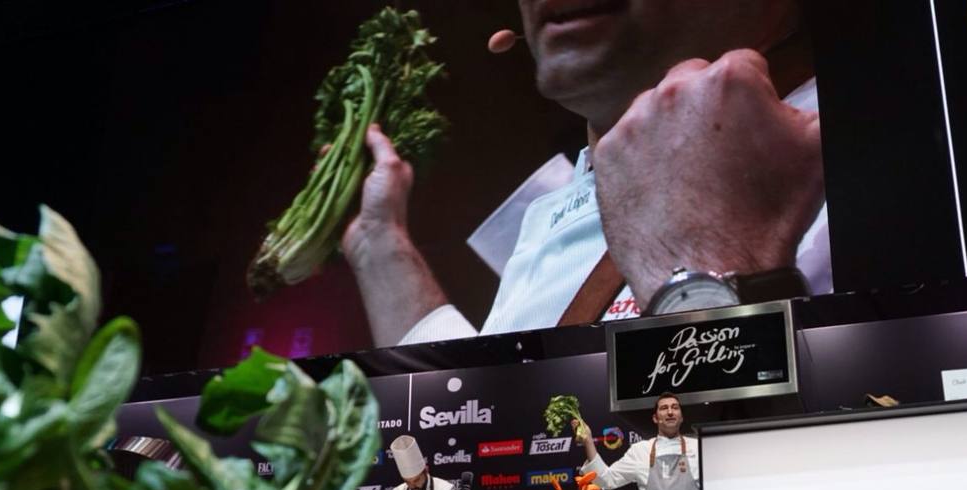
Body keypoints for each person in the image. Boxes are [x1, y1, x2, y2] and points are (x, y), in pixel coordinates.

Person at [340, 0, 828, 344]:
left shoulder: (853, 152)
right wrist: (377, 245)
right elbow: (492, 416)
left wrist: (702, 265)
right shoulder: (551, 211)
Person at [573, 392, 701, 490]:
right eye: (664, 408)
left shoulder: (698, 446)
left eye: (675, 407)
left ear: (681, 417)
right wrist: (588, 441)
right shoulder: (640, 450)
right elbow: (607, 479)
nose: (670, 412)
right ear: (655, 418)